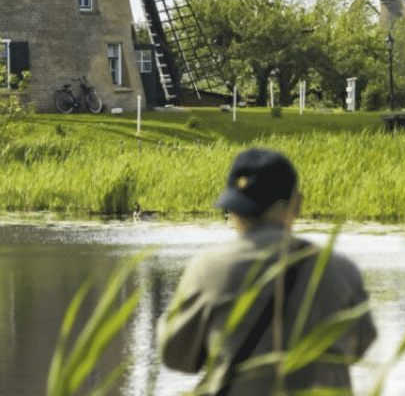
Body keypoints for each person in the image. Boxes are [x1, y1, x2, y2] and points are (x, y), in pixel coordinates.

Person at [158, 147, 376, 393]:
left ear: (233, 210)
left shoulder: (209, 269)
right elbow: (360, 347)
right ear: (296, 203)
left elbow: (175, 356)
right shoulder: (340, 270)